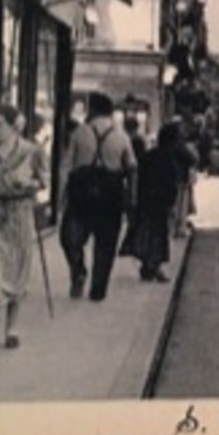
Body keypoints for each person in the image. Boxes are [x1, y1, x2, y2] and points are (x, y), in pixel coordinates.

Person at [0, 103, 48, 354]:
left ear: (13, 126)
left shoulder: (32, 151)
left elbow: (44, 182)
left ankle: (12, 330)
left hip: (20, 215)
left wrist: (28, 183)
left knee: (17, 272)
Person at [60, 92, 137, 302]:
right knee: (106, 242)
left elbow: (66, 166)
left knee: (70, 237)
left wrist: (61, 196)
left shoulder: (79, 133)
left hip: (81, 192)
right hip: (111, 194)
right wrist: (131, 198)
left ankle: (78, 271)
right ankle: (98, 289)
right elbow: (131, 168)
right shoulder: (122, 136)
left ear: (92, 110)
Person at [122, 121, 187, 282]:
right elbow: (171, 183)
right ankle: (152, 265)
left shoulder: (149, 156)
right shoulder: (169, 158)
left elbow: (138, 176)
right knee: (158, 234)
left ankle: (149, 265)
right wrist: (171, 203)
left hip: (145, 200)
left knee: (147, 232)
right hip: (159, 202)